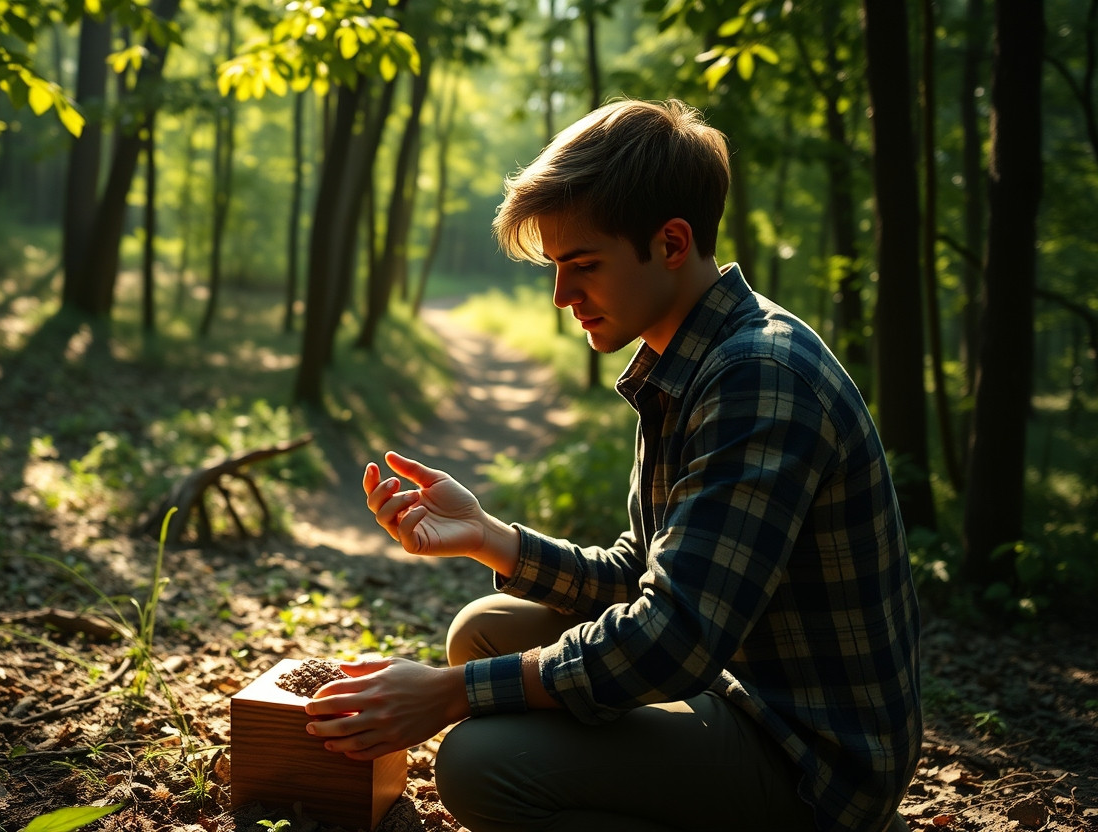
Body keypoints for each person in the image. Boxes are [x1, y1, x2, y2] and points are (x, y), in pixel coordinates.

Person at [301, 98, 921, 832]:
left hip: (810, 761)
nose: (563, 296)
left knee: (478, 764)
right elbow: (641, 572)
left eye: (582, 265)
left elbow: (673, 637)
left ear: (670, 242)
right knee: (485, 629)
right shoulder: (682, 355)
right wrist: (486, 536)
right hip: (728, 687)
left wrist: (449, 694)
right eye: (557, 269)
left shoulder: (757, 375)